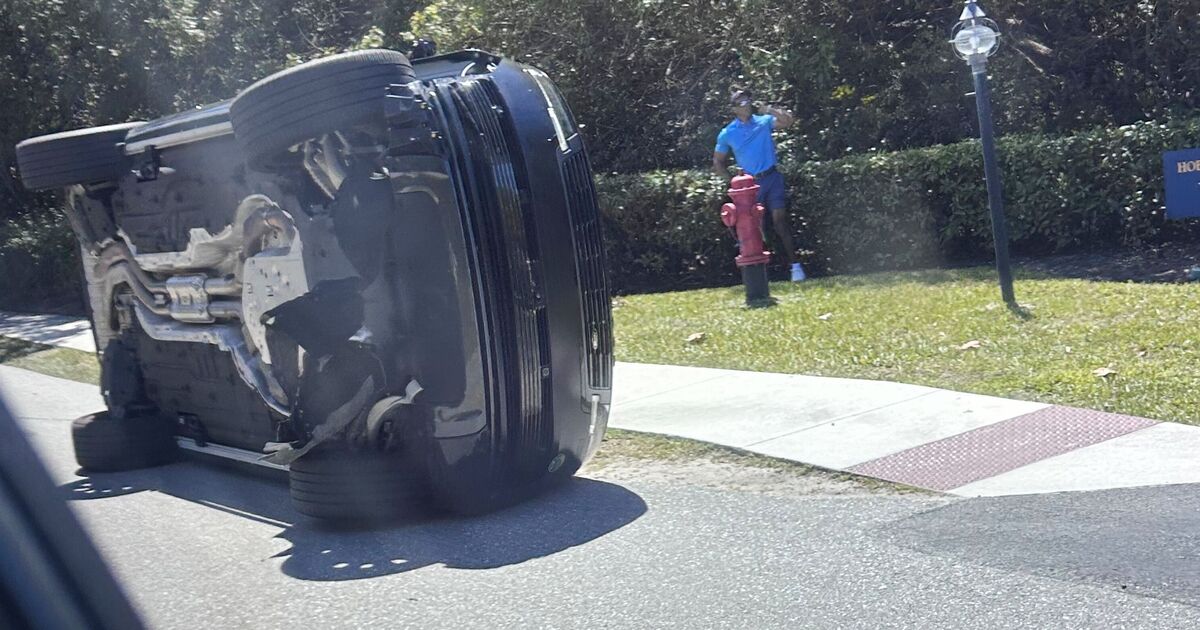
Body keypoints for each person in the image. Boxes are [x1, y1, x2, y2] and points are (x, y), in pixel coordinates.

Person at [712, 87, 805, 282]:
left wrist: (769, 109)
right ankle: (764, 273)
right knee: (756, 229)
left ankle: (796, 267)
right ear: (734, 109)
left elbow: (788, 121)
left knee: (780, 221)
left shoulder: (763, 122)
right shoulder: (727, 133)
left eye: (748, 101)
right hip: (750, 186)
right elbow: (718, 163)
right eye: (741, 103)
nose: (746, 106)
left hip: (772, 177)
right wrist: (734, 183)